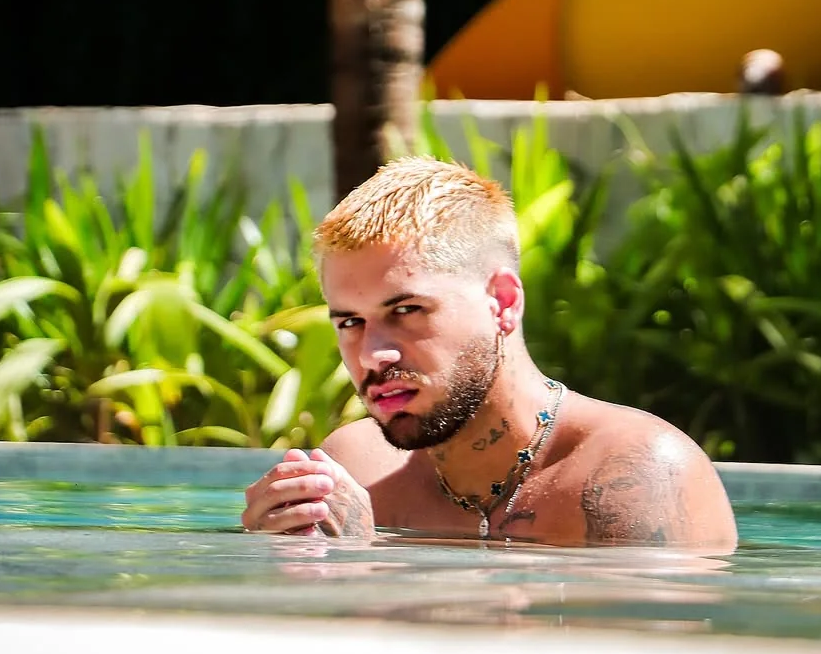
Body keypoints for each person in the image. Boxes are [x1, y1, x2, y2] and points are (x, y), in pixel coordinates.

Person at [242, 156, 738, 550]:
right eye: (350, 322)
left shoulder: (638, 474)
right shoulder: (353, 470)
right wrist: (283, 563)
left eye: (407, 310)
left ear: (502, 301)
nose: (372, 355)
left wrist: (372, 571)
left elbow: (638, 651)